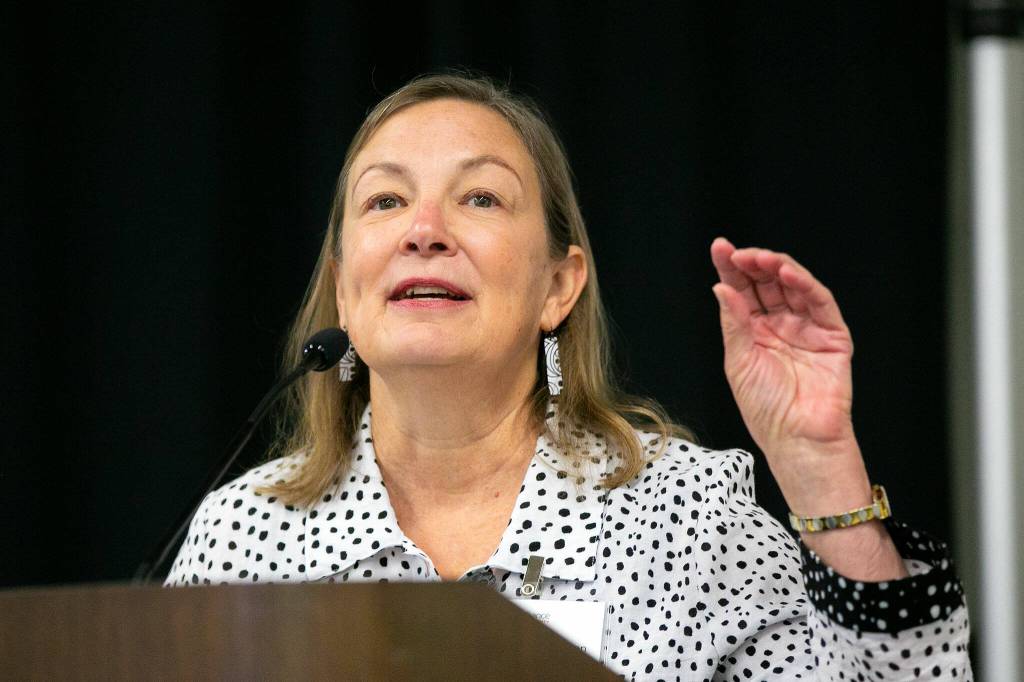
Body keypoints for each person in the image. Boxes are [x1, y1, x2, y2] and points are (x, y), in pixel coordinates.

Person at [166, 73, 972, 680]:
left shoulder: (679, 519)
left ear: (559, 285)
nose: (423, 231)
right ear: (346, 288)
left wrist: (819, 461)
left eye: (479, 197)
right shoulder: (244, 539)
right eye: (385, 201)